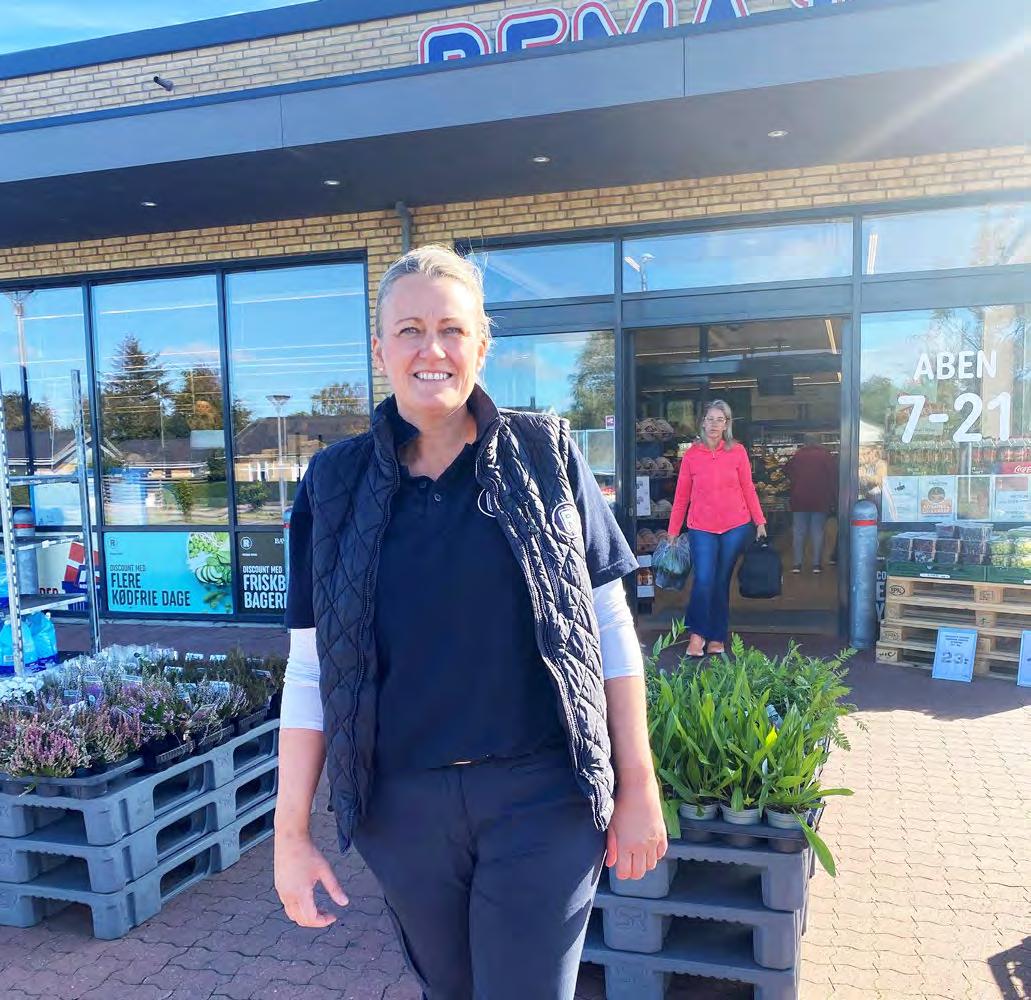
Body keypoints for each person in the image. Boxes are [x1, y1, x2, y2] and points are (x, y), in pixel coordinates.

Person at [273, 245, 666, 1000]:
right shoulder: (334, 483)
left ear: (482, 345)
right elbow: (310, 670)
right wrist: (290, 836)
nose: (432, 350)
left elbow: (611, 632)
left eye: (451, 330)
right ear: (381, 350)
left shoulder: (546, 455)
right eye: (410, 330)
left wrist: (638, 786)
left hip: (544, 799)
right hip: (403, 812)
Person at [666, 400, 767, 657]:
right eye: (710, 419)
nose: (714, 424)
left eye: (720, 419)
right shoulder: (691, 455)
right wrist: (673, 529)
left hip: (735, 526)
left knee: (721, 581)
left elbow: (748, 487)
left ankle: (717, 636)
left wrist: (759, 521)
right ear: (702, 423)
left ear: (727, 424)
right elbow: (681, 495)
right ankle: (697, 635)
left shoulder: (738, 452)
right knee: (703, 579)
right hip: (701, 527)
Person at [784, 435, 837, 574]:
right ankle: (816, 565)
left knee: (799, 531)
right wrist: (833, 498)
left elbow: (787, 470)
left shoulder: (798, 455)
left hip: (799, 498)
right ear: (818, 442)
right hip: (820, 498)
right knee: (817, 531)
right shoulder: (826, 456)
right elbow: (833, 477)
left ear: (805, 443)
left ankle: (797, 564)